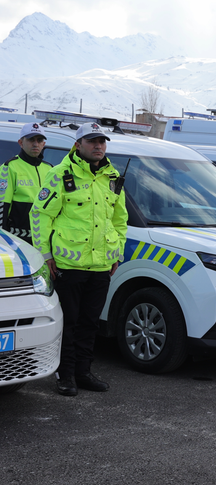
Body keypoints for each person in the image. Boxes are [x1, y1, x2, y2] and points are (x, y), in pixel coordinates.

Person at [29, 122, 128, 396]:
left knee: (90, 322)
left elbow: (120, 219)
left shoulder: (112, 176)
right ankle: (66, 375)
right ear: (78, 145)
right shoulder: (60, 174)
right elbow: (40, 215)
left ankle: (83, 372)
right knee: (69, 322)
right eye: (92, 141)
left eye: (102, 142)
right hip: (68, 265)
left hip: (100, 266)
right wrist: (45, 254)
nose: (98, 146)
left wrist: (116, 253)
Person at [0, 123, 53, 243]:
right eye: (31, 140)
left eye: (39, 140)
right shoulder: (9, 167)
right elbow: (2, 206)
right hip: (17, 238)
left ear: (43, 144)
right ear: (21, 143)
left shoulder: (50, 169)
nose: (35, 144)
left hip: (44, 238)